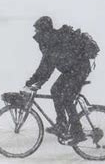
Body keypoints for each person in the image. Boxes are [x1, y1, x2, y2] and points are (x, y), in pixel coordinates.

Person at [24, 16, 92, 145]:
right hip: (72, 70)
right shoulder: (51, 40)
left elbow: (47, 68)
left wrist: (33, 82)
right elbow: (46, 67)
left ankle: (77, 133)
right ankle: (61, 124)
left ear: (44, 30)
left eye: (37, 30)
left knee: (66, 97)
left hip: (79, 69)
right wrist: (34, 82)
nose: (36, 33)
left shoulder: (53, 42)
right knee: (55, 90)